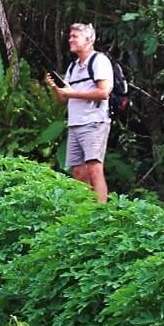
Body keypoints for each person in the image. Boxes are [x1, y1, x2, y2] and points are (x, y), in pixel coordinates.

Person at [46, 22, 113, 202]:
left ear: (89, 39)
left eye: (75, 36)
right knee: (77, 171)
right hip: (75, 123)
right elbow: (63, 100)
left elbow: (104, 92)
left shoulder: (99, 61)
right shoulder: (73, 67)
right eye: (70, 36)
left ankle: (101, 211)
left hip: (94, 122)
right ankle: (84, 211)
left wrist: (71, 92)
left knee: (94, 168)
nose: (70, 39)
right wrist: (55, 88)